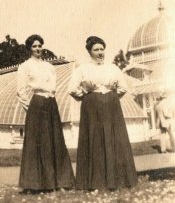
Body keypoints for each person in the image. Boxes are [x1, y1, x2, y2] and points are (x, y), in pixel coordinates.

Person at [68, 36, 138, 191]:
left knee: (115, 138)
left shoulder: (113, 68)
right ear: (90, 52)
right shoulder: (82, 69)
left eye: (102, 49)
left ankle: (119, 180)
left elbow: (122, 87)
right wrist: (88, 97)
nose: (100, 53)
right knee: (95, 139)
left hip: (112, 107)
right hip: (91, 108)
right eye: (96, 50)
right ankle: (95, 182)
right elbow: (72, 89)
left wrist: (110, 98)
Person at [17, 34, 75, 193]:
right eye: (34, 46)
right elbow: (21, 91)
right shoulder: (25, 67)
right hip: (37, 104)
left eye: (40, 45)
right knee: (38, 143)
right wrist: (32, 109)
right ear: (29, 49)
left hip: (51, 103)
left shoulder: (49, 66)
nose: (38, 49)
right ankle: (35, 184)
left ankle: (60, 182)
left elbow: (52, 86)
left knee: (55, 141)